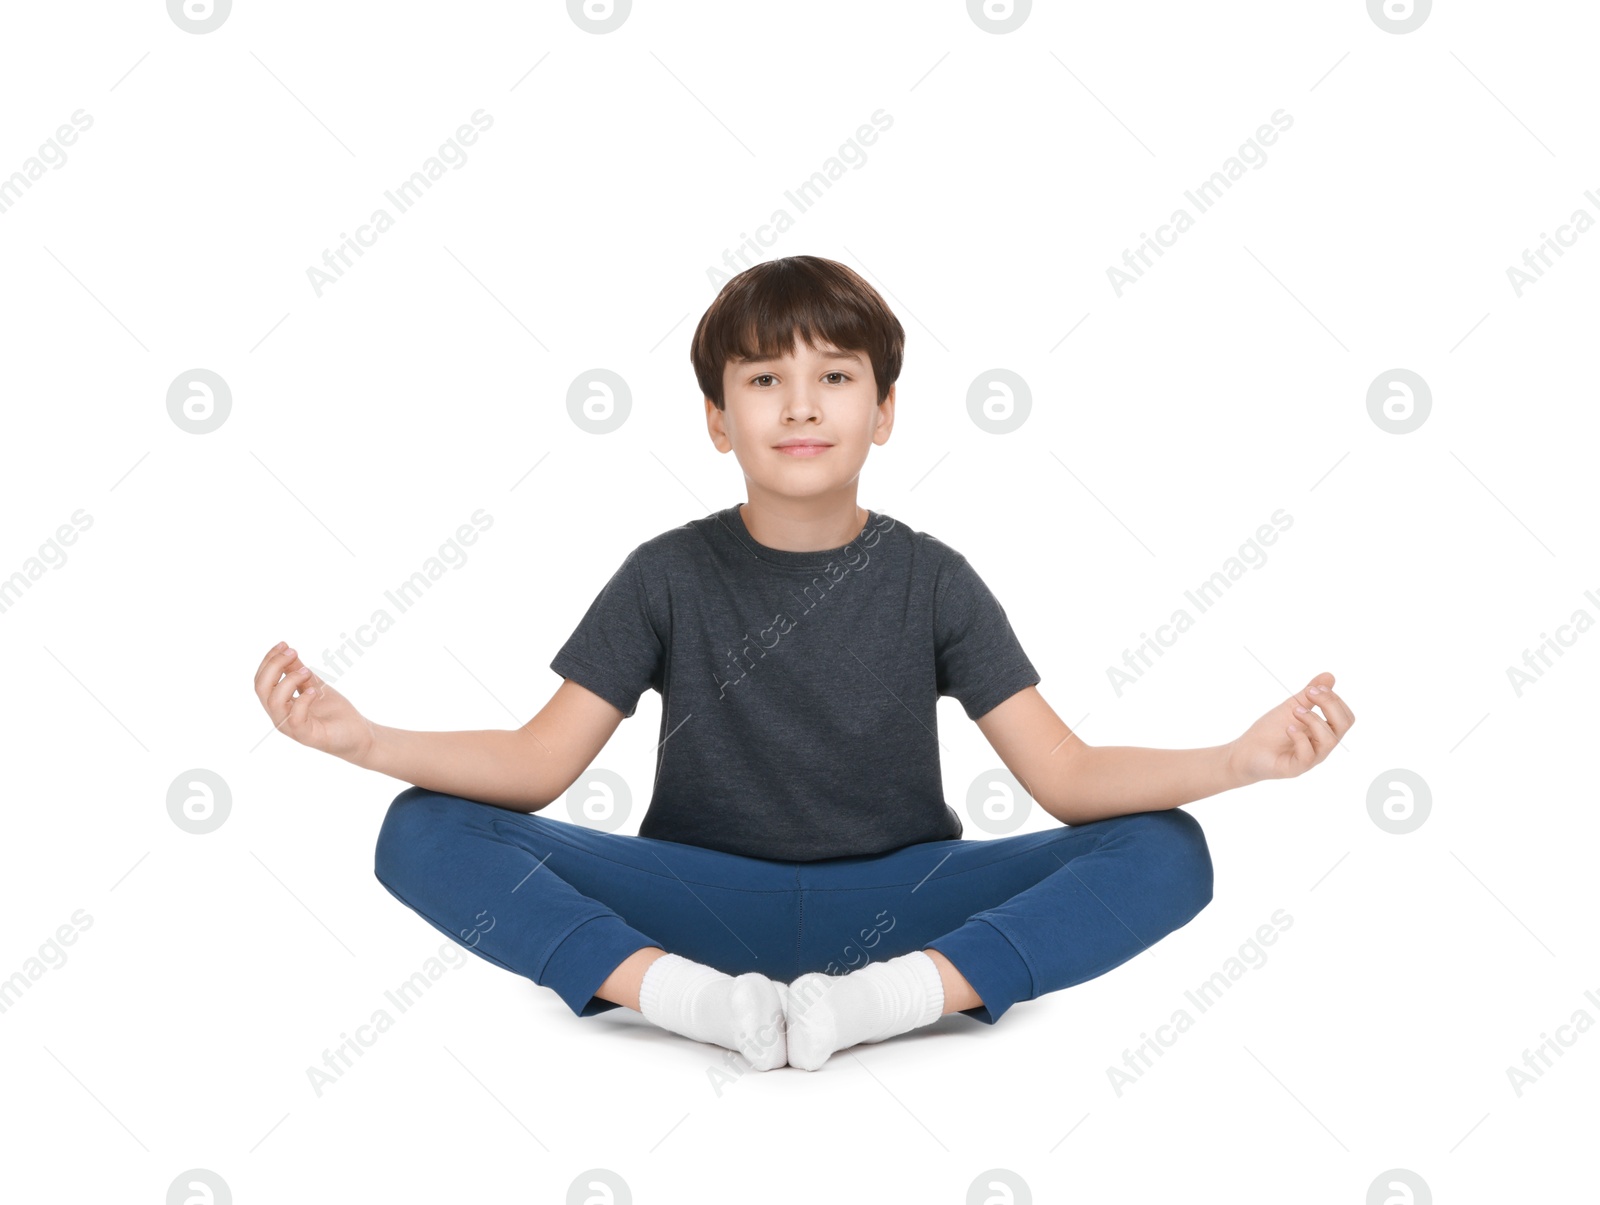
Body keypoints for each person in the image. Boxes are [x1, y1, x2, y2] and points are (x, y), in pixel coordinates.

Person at [251, 255, 1354, 1072]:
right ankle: (675, 998)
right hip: (694, 901)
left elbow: (1061, 777)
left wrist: (1237, 759)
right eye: (764, 380)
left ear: (882, 413)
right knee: (418, 827)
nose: (800, 404)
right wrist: (366, 739)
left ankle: (897, 999)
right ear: (718, 421)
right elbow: (540, 762)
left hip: (904, 897)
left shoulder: (932, 577)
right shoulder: (665, 572)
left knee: (1169, 848)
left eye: (834, 376)